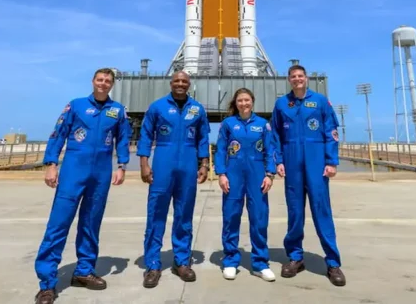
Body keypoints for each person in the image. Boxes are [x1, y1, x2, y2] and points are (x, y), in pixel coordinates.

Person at [34, 68, 132, 304]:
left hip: (100, 174)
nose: (103, 83)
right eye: (100, 79)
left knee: (91, 223)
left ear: (112, 84)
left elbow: (124, 139)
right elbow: (58, 134)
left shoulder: (117, 111)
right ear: (93, 81)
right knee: (58, 224)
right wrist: (51, 164)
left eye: (108, 81)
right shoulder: (76, 105)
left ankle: (84, 271)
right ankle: (47, 284)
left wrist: (122, 166)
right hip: (73, 171)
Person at [269, 64, 347, 287]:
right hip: (292, 163)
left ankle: (332, 263)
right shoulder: (282, 104)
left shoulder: (320, 102)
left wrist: (331, 161)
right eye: (293, 77)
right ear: (289, 80)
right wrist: (279, 161)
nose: (297, 79)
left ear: (307, 78)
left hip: (316, 163)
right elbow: (275, 135)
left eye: (300, 76)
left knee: (322, 211)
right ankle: (295, 257)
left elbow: (331, 132)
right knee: (294, 212)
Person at [136, 70, 210, 288]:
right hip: (163, 163)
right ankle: (152, 264)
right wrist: (143, 163)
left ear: (189, 84)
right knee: (156, 213)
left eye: (184, 81)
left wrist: (204, 164)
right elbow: (146, 135)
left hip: (188, 164)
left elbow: (203, 138)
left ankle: (182, 261)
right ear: (171, 83)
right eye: (177, 80)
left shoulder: (197, 109)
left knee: (184, 215)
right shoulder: (157, 107)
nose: (180, 84)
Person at [214, 87, 277, 282]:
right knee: (231, 216)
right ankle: (231, 260)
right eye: (240, 100)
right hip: (233, 174)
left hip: (257, 175)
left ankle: (260, 263)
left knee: (259, 217)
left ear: (252, 101)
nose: (244, 104)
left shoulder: (263, 125)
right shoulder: (228, 124)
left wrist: (270, 174)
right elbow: (220, 150)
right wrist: (221, 174)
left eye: (247, 100)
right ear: (236, 103)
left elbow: (270, 150)